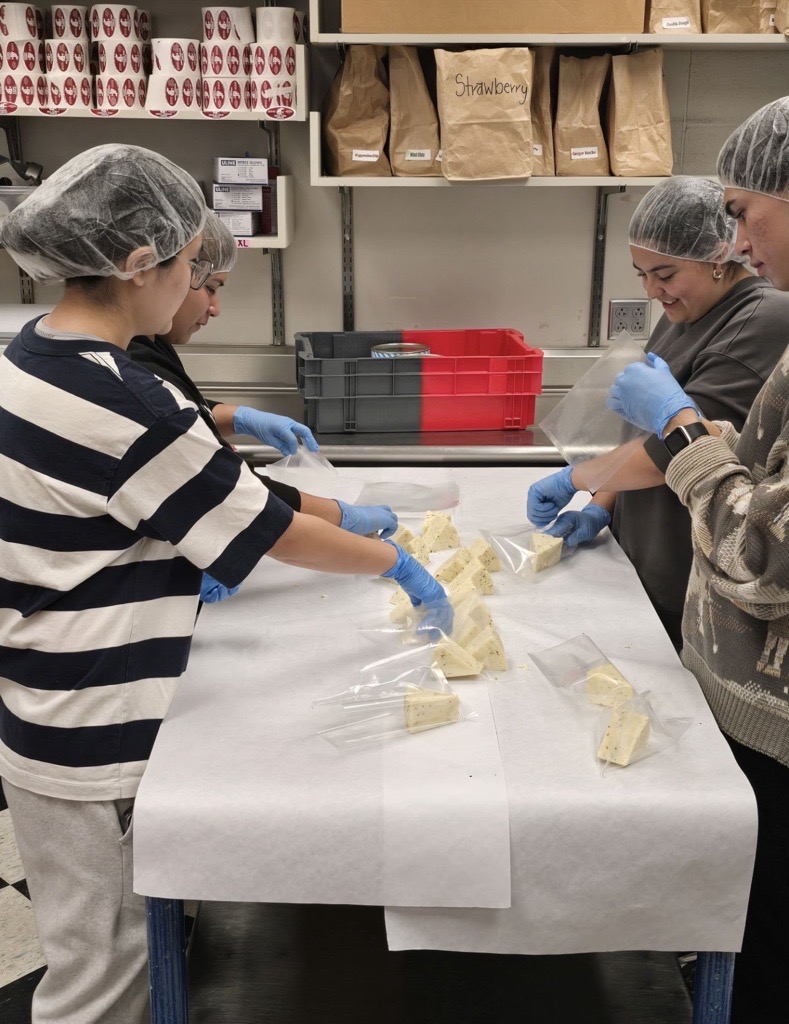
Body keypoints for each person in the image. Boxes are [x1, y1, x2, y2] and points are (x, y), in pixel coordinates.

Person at [0, 144, 452, 1024]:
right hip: (92, 728)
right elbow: (269, 531)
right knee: (104, 979)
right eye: (188, 263)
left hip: (40, 696)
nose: (197, 284)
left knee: (105, 947)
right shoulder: (130, 399)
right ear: (141, 265)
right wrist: (393, 564)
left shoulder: (28, 354)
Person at [537, 97, 789, 1024]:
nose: (739, 231)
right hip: (717, 638)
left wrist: (650, 442)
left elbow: (753, 535)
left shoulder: (767, 320)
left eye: (743, 211)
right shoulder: (714, 315)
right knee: (742, 904)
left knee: (763, 932)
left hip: (764, 676)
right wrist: (596, 493)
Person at [527, 176, 789, 649]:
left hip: (684, 571)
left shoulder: (758, 323)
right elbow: (643, 432)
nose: (651, 291)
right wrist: (602, 503)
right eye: (641, 274)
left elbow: (680, 448)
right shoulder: (686, 313)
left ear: (717, 255)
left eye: (665, 275)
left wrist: (578, 478)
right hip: (638, 556)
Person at [127, 213, 400, 603]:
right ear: (147, 268)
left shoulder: (144, 342)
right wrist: (376, 549)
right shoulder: (126, 372)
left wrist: (233, 416)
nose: (216, 308)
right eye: (209, 286)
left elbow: (183, 417)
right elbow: (240, 501)